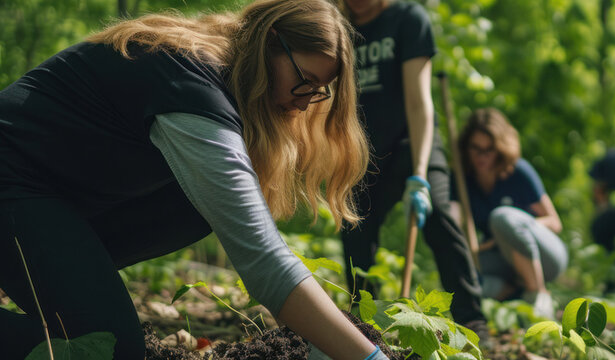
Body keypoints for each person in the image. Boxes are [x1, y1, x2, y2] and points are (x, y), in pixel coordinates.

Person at [0, 0, 390, 358]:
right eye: (303, 79)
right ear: (271, 42)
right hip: (13, 181)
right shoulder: (192, 87)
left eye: (318, 91)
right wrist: (368, 357)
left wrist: (326, 342)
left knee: (196, 207)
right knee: (115, 351)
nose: (304, 101)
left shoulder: (216, 88)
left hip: (50, 199)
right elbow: (263, 259)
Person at [338, 0, 486, 329]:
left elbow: (419, 103)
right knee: (354, 233)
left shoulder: (407, 18)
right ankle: (365, 329)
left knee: (440, 218)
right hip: (362, 152)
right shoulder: (337, 26)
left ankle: (474, 324)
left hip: (413, 142)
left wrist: (420, 174)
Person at [452, 108, 568, 319]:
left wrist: (511, 230)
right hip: (503, 261)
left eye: (489, 150)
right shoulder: (462, 180)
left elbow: (554, 222)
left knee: (502, 217)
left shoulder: (518, 172)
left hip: (546, 256)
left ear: (500, 148)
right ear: (466, 148)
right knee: (459, 274)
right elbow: (454, 220)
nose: (482, 156)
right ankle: (515, 295)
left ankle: (538, 296)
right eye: (475, 149)